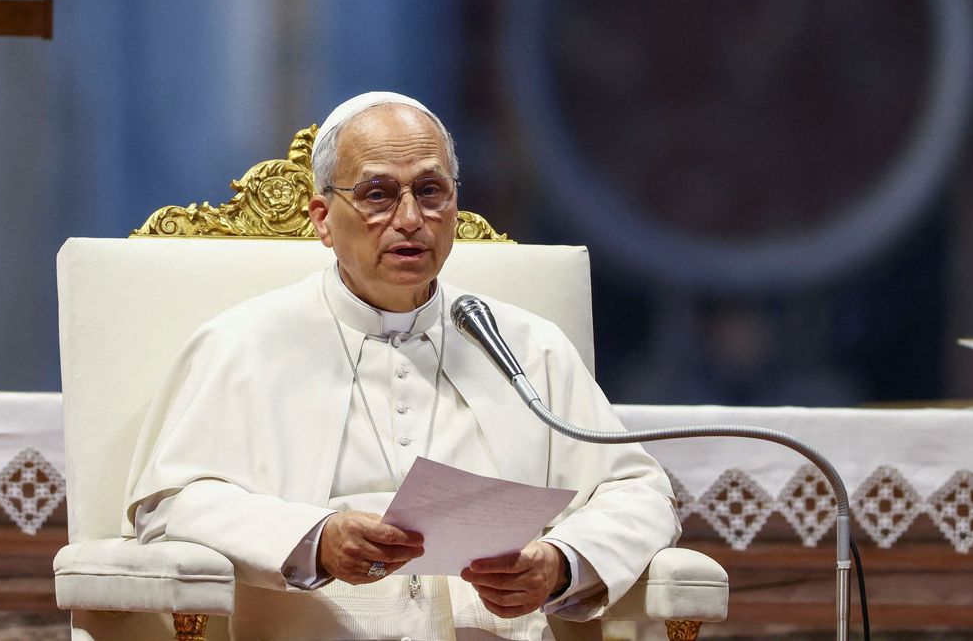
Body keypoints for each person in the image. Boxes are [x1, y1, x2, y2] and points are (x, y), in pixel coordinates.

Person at [125, 92, 679, 640]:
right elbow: (171, 505)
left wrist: (560, 563)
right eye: (378, 194)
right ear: (322, 218)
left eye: (431, 191)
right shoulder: (243, 344)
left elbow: (640, 491)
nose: (410, 219)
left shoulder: (528, 347)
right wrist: (313, 539)